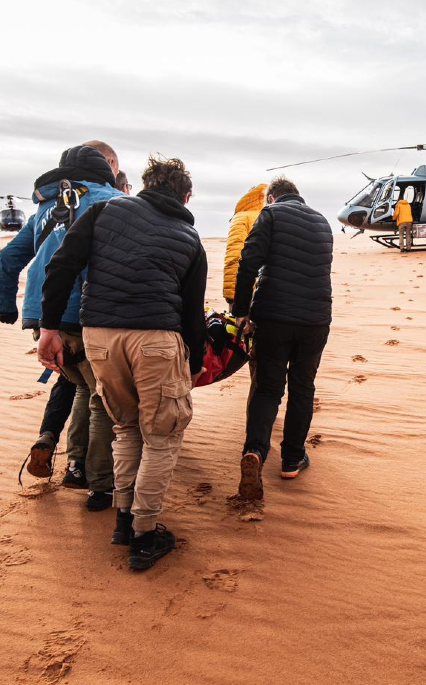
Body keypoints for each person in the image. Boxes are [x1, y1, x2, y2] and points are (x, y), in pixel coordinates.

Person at [38, 155, 207, 571]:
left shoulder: (103, 210)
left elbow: (61, 266)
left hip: (100, 337)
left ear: (147, 185)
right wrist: (197, 362)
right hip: (156, 339)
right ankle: (145, 536)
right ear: (186, 195)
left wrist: (49, 328)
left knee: (126, 427)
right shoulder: (188, 234)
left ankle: (124, 517)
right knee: (162, 435)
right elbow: (192, 311)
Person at [0, 144, 123, 510]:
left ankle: (74, 463)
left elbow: (7, 258)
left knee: (78, 386)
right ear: (106, 171)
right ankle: (101, 486)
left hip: (44, 320)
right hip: (89, 315)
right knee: (103, 400)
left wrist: (5, 307)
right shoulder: (112, 201)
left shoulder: (44, 209)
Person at [232, 175, 333, 501]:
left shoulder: (271, 214)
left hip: (274, 317)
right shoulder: (322, 221)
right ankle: (291, 459)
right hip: (315, 321)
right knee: (303, 388)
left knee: (268, 390)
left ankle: (255, 453)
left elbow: (248, 262)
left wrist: (241, 310)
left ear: (272, 198)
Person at [223, 183, 267, 308]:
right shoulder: (272, 217)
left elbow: (235, 256)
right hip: (272, 294)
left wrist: (233, 298)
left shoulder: (241, 218)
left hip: (246, 292)